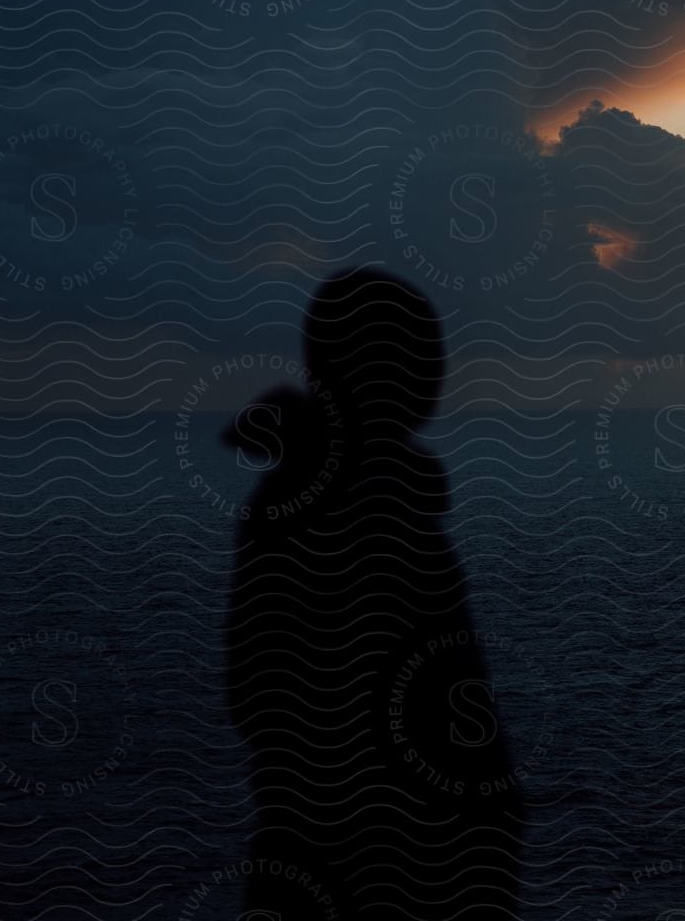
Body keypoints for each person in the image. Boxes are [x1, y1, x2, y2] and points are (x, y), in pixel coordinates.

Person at [222, 267, 524, 918]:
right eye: (419, 358)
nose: (432, 380)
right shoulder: (385, 519)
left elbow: (251, 690)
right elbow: (439, 689)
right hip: (399, 869)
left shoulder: (286, 508)